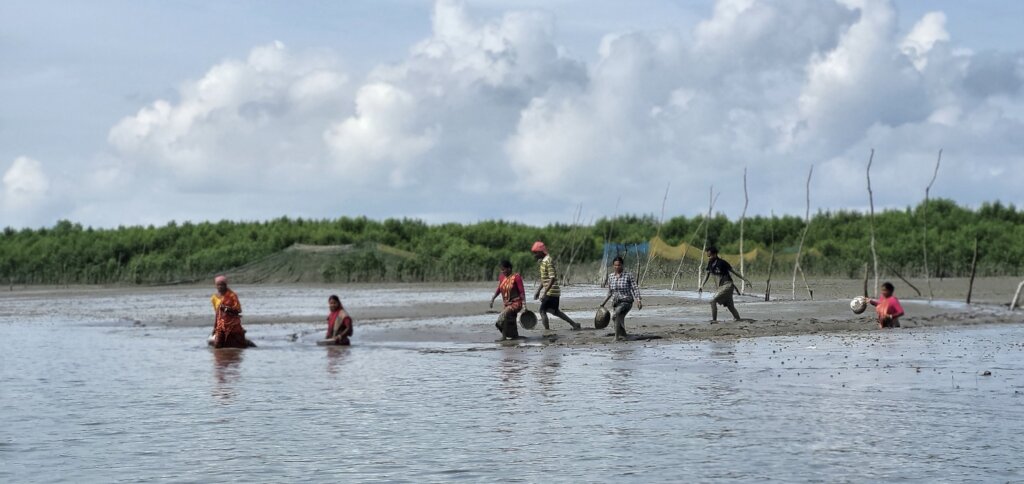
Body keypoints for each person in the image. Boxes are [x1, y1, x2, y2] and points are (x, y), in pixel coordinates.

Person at [531, 241, 581, 331]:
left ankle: (547, 330)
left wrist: (545, 292)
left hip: (551, 291)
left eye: (535, 253)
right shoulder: (543, 262)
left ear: (540, 252)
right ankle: (574, 324)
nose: (534, 255)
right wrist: (538, 291)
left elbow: (552, 278)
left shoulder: (548, 261)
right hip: (553, 291)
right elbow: (544, 279)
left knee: (542, 311)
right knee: (555, 312)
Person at [698, 247, 753, 322]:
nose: (709, 258)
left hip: (728, 285)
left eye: (710, 256)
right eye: (708, 256)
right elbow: (706, 275)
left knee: (712, 301)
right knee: (731, 307)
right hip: (721, 287)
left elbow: (734, 272)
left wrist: (745, 280)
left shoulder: (722, 263)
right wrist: (701, 285)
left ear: (715, 254)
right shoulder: (710, 263)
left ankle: (714, 321)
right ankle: (738, 320)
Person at [600, 256, 642, 341]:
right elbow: (610, 292)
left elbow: (635, 288)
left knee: (616, 314)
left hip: (626, 301)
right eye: (615, 265)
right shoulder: (611, 276)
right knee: (617, 318)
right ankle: (623, 334)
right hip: (616, 302)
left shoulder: (628, 275)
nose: (617, 267)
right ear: (613, 266)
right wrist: (603, 303)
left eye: (619, 265)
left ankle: (616, 337)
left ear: (622, 265)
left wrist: (638, 300)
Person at [210, 275, 251, 348]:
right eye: (218, 285)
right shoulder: (214, 298)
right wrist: (214, 328)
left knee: (238, 346)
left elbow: (238, 310)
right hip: (221, 325)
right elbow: (217, 314)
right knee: (217, 346)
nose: (220, 287)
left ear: (226, 285)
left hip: (233, 325)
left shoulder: (232, 296)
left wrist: (227, 309)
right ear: (216, 286)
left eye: (222, 284)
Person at [490, 260, 525, 340]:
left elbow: (522, 291)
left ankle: (505, 336)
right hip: (507, 303)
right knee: (510, 320)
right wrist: (493, 298)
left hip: (516, 303)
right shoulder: (502, 277)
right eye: (501, 270)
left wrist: (525, 305)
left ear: (509, 268)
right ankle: (511, 336)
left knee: (502, 317)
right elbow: (499, 288)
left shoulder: (516, 277)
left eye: (504, 269)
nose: (502, 271)